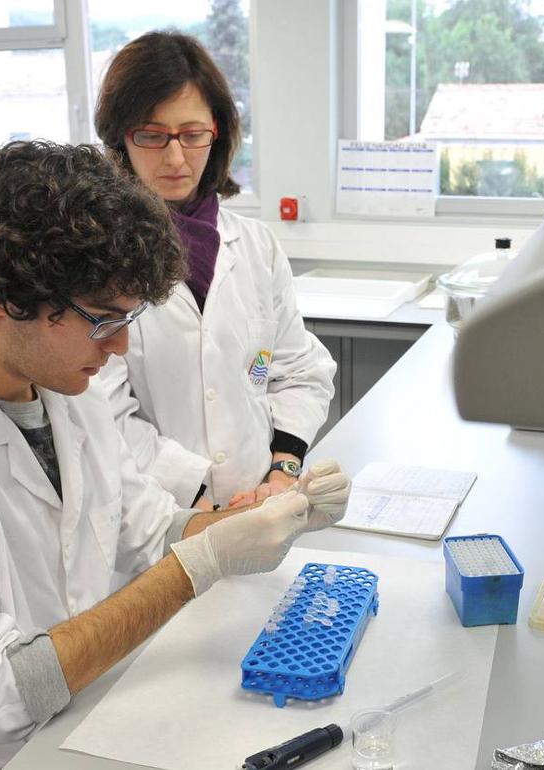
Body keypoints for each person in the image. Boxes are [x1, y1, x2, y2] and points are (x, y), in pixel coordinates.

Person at [0, 141, 350, 770]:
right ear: (6, 297)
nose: (118, 350)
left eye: (130, 319)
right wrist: (200, 563)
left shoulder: (64, 389)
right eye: (101, 320)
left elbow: (148, 531)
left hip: (87, 703)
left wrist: (278, 513)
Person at [94, 31, 337, 510]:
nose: (176, 157)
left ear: (217, 132)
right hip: (153, 515)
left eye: (192, 134)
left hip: (259, 504)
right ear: (121, 137)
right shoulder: (97, 255)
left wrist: (282, 470)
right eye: (152, 135)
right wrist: (198, 495)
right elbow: (97, 408)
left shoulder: (256, 247)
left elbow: (296, 370)